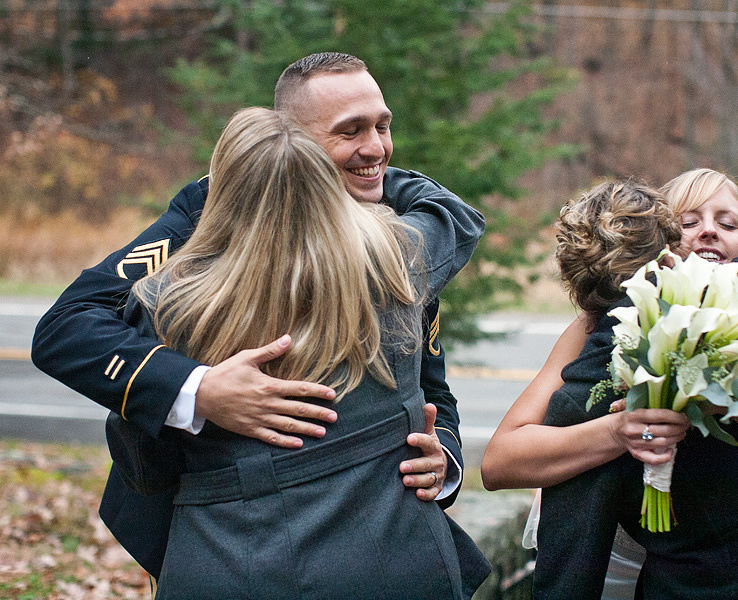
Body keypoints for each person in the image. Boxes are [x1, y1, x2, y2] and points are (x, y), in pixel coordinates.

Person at [31, 53, 484, 585]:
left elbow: (434, 390)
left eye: (383, 126)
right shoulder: (207, 211)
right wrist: (196, 390)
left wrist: (446, 459)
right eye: (350, 131)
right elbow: (68, 326)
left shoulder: (393, 234)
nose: (377, 148)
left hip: (360, 537)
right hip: (232, 535)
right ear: (286, 141)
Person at [481, 175, 738, 599]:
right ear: (661, 246)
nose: (709, 230)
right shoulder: (601, 331)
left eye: (727, 223)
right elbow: (501, 461)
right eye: (689, 222)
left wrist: (732, 390)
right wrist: (618, 430)